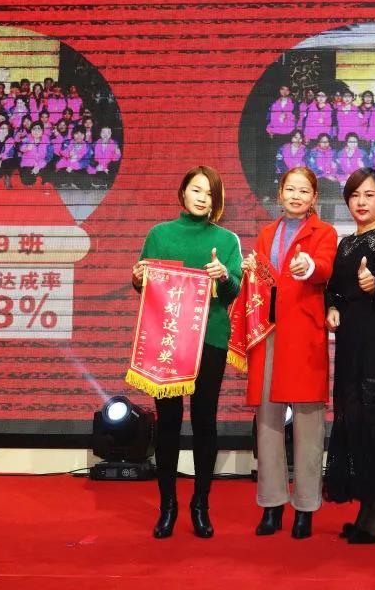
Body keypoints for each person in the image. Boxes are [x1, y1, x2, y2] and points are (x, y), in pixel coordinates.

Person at [131, 167, 242, 540]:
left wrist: (223, 275)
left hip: (210, 338)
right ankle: (167, 507)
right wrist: (137, 277)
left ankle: (200, 505)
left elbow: (234, 291)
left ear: (216, 202)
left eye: (209, 194)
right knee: (168, 421)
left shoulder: (226, 240)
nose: (202, 198)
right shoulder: (159, 234)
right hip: (169, 339)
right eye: (196, 190)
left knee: (204, 420)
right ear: (183, 193)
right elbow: (147, 284)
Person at [243, 167, 337, 540]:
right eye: (290, 189)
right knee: (267, 421)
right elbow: (261, 281)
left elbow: (325, 268)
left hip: (304, 334)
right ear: (280, 193)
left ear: (314, 197)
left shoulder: (324, 232)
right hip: (269, 333)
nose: (296, 196)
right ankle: (271, 505)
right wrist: (251, 271)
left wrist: (308, 266)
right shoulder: (267, 233)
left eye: (304, 191)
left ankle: (306, 508)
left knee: (308, 423)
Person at [324, 168, 375, 544]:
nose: (361, 202)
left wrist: (374, 284)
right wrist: (331, 307)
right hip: (351, 339)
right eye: (355, 195)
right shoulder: (345, 243)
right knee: (354, 418)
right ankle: (367, 506)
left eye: (369, 195)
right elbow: (333, 289)